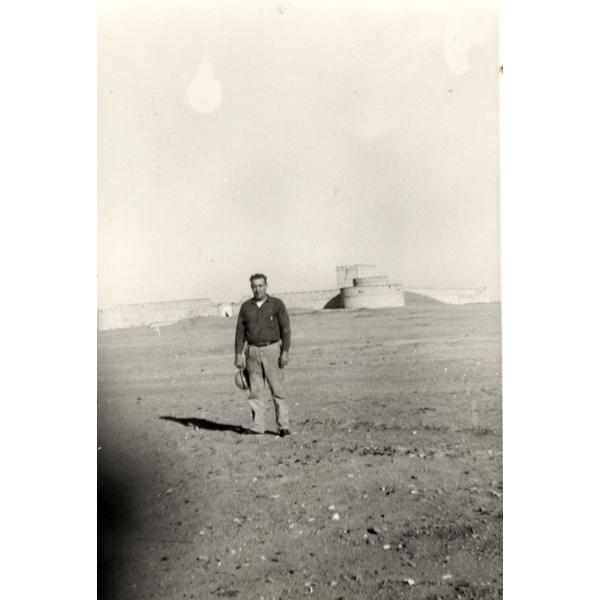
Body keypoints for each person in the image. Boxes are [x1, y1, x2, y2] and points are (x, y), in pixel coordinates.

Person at [234, 273, 291, 437]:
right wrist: (238, 353)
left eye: (260, 285)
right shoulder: (246, 307)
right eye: (254, 286)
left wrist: (285, 351)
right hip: (252, 352)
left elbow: (286, 329)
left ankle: (283, 426)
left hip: (272, 350)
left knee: (277, 390)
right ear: (251, 287)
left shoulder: (277, 304)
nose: (257, 289)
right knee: (255, 392)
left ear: (266, 286)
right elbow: (239, 333)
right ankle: (258, 426)